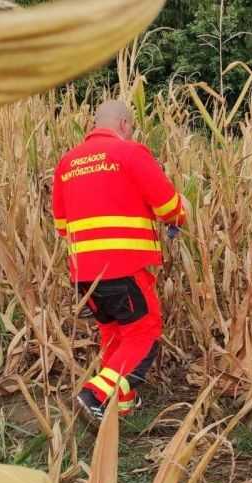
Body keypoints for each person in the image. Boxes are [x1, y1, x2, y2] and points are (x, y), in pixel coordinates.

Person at [52, 100, 185, 425]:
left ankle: (119, 406)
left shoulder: (67, 163)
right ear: (124, 124)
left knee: (114, 334)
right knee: (144, 332)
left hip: (84, 273)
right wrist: (181, 214)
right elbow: (167, 203)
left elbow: (61, 225)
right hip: (124, 266)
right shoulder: (130, 153)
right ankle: (94, 394)